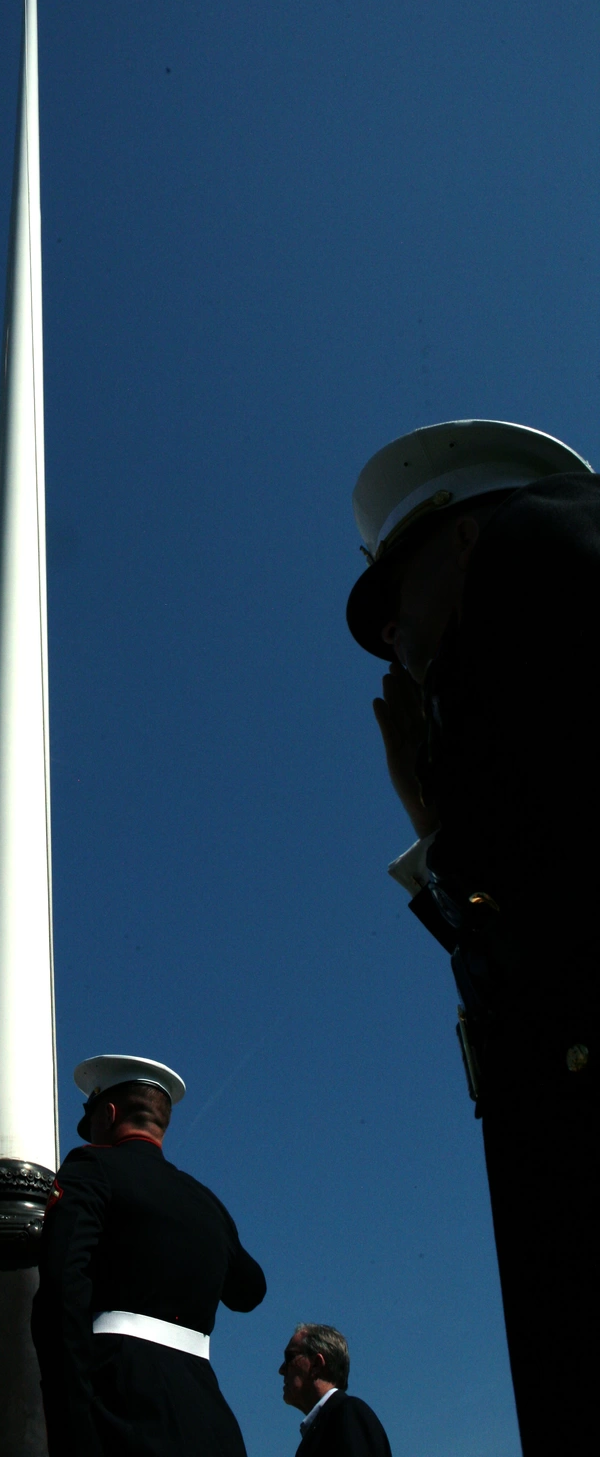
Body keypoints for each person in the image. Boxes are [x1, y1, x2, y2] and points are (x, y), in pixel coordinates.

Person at [345, 419, 598, 1455]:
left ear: (457, 540)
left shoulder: (539, 553)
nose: (395, 643)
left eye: (393, 605)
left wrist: (442, 820)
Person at [31, 1054, 266, 1457]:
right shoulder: (204, 1200)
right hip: (207, 1415)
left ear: (106, 1113)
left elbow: (60, 1288)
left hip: (118, 1400)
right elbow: (249, 1290)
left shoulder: (90, 1167)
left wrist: (69, 1418)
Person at [279, 1324, 390, 1457]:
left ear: (316, 1364)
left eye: (289, 1357)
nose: (281, 1369)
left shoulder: (348, 1413)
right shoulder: (324, 1427)